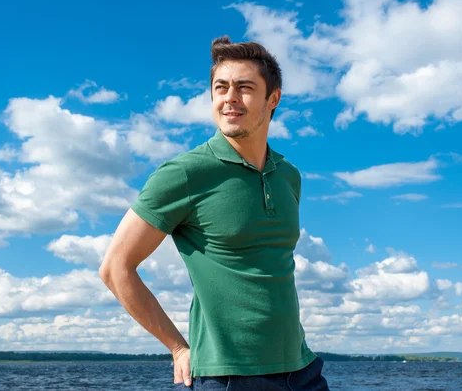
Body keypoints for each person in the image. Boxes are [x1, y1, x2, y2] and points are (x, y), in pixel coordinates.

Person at [99, 36, 330, 390]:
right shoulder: (185, 173)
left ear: (273, 99)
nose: (230, 97)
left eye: (244, 87)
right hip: (227, 378)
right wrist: (178, 348)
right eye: (221, 87)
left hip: (302, 371)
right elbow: (115, 268)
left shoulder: (289, 176)